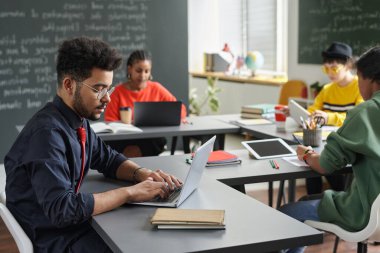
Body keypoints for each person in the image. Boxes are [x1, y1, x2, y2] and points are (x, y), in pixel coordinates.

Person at [4, 37, 182, 253]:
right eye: (99, 89)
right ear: (69, 85)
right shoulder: (47, 135)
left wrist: (142, 174)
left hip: (72, 227)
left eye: (109, 89)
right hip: (55, 238)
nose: (107, 98)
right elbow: (64, 210)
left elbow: (107, 158)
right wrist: (130, 193)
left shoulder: (76, 121)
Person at [279, 46, 380, 253]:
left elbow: (325, 165)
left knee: (286, 213)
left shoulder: (365, 112)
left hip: (365, 213)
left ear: (369, 79)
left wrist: (306, 154)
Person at [104, 50, 187, 157]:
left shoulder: (156, 88)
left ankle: (131, 170)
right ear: (130, 69)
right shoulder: (117, 92)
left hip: (149, 138)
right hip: (124, 139)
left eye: (147, 71)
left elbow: (180, 110)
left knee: (151, 143)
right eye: (138, 71)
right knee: (129, 150)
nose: (143, 75)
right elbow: (110, 122)